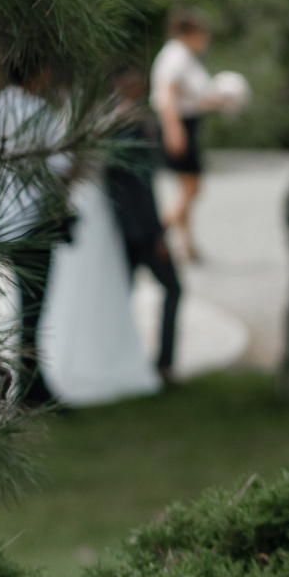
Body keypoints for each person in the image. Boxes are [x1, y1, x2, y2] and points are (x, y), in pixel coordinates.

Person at [0, 60, 72, 406]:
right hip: (33, 220)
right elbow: (58, 165)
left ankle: (30, 383)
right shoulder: (38, 110)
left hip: (5, 218)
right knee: (33, 309)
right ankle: (31, 387)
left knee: (24, 306)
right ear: (37, 73)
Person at [106, 64, 182, 385]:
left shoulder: (105, 122)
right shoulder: (130, 124)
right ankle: (163, 364)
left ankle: (121, 358)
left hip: (118, 229)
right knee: (174, 289)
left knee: (121, 296)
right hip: (139, 231)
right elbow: (140, 183)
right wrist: (157, 233)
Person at [150, 7, 222, 263]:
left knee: (185, 187)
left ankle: (186, 246)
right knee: (192, 188)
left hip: (186, 123)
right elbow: (166, 95)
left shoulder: (184, 57)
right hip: (178, 125)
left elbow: (191, 97)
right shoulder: (176, 56)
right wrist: (174, 130)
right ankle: (157, 232)